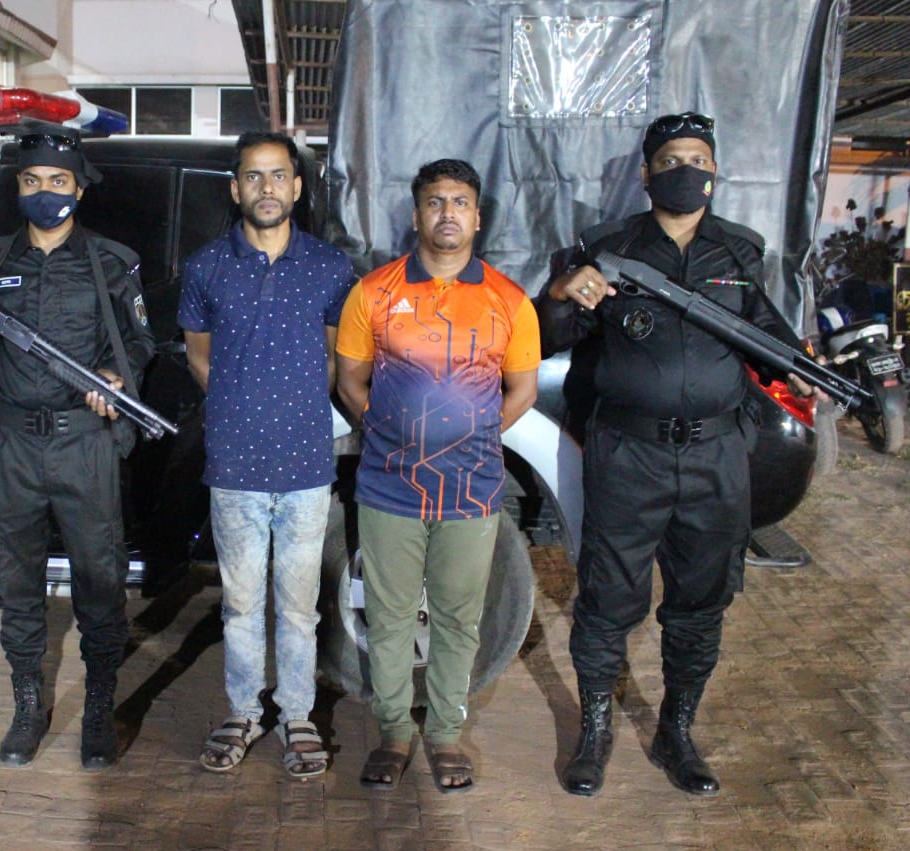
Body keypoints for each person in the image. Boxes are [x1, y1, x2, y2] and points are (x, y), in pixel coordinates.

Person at [537, 111, 817, 797]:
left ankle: (676, 731)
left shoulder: (740, 253)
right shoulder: (607, 247)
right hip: (627, 453)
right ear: (645, 173)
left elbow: (766, 336)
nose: (683, 171)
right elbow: (548, 335)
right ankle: (594, 731)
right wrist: (560, 296)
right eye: (668, 161)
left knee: (701, 602)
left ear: (714, 173)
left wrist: (802, 369)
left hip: (717, 456)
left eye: (697, 160)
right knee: (607, 597)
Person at [0, 123, 153, 770]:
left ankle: (99, 705)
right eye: (32, 181)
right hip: (13, 443)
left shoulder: (112, 262)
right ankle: (29, 704)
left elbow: (139, 341)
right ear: (18, 187)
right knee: (15, 578)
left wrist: (115, 378)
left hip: (84, 441)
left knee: (101, 580)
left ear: (79, 189)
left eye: (58, 181)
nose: (44, 192)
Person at [336, 159, 540, 793]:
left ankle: (446, 735)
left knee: (457, 618)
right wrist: (390, 433)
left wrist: (473, 434)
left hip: (471, 489)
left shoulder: (510, 300)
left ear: (477, 217)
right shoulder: (375, 292)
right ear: (416, 214)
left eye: (459, 202)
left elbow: (523, 390)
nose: (447, 213)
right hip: (388, 486)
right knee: (390, 619)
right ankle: (395, 733)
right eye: (434, 201)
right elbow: (350, 380)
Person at [178, 132, 355, 779]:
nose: (266, 188)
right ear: (236, 189)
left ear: (297, 187)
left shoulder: (329, 268)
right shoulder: (206, 267)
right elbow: (199, 355)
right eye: (253, 176)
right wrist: (239, 406)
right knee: (241, 605)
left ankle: (298, 716)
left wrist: (293, 410)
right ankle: (243, 712)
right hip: (235, 468)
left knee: (300, 608)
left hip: (306, 466)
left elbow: (334, 357)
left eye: (278, 175)